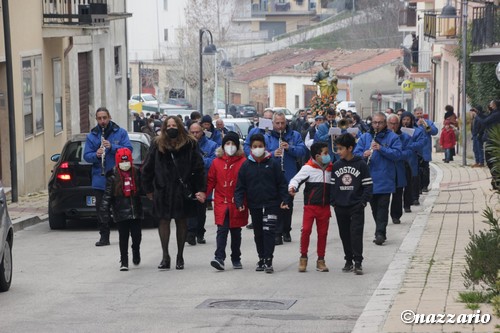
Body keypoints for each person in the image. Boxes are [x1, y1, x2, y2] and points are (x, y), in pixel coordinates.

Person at [142, 116, 206, 270]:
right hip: (162, 189)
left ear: (179, 126)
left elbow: (199, 168)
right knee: (163, 221)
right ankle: (165, 256)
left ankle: (180, 256)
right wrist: (148, 189)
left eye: (174, 125)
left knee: (181, 221)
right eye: (168, 125)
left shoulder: (190, 143)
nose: (171, 128)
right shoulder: (157, 143)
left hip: (182, 190)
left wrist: (200, 190)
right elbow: (148, 167)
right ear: (164, 127)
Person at [234, 134, 289, 274]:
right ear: (250, 148)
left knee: (269, 231)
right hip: (255, 204)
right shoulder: (246, 165)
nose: (258, 149)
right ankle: (261, 258)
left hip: (272, 203)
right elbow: (240, 186)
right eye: (255, 147)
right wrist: (239, 201)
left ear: (264, 147)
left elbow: (282, 183)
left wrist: (284, 199)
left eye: (260, 146)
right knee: (258, 233)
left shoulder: (273, 163)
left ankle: (269, 259)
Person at [83, 107, 132, 247]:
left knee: (120, 208)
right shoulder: (92, 136)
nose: (102, 121)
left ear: (109, 117)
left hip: (118, 177)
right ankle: (104, 236)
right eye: (99, 118)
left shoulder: (120, 132)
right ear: (97, 119)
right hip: (100, 178)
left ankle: (124, 234)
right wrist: (96, 155)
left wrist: (112, 147)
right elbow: (86, 156)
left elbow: (129, 150)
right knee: (101, 209)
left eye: (105, 118)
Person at [353, 112, 402, 245]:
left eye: (380, 123)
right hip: (369, 179)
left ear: (385, 123)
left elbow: (397, 154)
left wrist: (381, 149)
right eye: (374, 122)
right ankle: (380, 230)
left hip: (385, 178)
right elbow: (355, 154)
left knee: (383, 207)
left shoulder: (392, 137)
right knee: (374, 208)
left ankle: (380, 233)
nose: (377, 125)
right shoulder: (365, 137)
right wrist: (364, 154)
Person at [331, 134, 372, 275]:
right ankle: (348, 260)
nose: (338, 151)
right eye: (337, 148)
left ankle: (358, 261)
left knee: (356, 233)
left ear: (350, 148)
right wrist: (334, 202)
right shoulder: (336, 166)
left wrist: (362, 202)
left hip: (356, 206)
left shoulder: (361, 164)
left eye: (341, 149)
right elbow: (332, 186)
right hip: (340, 206)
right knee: (344, 234)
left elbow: (368, 185)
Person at [206, 132, 248, 271]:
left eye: (233, 144)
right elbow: (211, 180)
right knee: (222, 230)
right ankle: (219, 257)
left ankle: (236, 257)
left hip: (237, 202)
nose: (230, 146)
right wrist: (204, 194)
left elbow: (247, 183)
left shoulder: (243, 162)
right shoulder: (216, 162)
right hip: (221, 201)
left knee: (236, 231)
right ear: (223, 146)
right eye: (227, 144)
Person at [264, 111, 307, 245]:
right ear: (273, 123)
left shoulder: (295, 135)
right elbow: (260, 153)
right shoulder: (267, 137)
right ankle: (277, 232)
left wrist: (289, 148)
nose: (280, 126)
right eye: (277, 123)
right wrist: (271, 153)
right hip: (272, 176)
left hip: (289, 175)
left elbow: (302, 151)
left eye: (283, 123)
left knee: (288, 204)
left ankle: (286, 230)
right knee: (275, 204)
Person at [288, 142, 332, 273]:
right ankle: (303, 257)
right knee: (306, 231)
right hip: (310, 206)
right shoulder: (308, 168)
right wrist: (292, 187)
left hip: (325, 207)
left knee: (323, 234)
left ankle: (321, 260)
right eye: (325, 153)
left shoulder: (330, 168)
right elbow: (296, 179)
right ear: (317, 156)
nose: (328, 156)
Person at [99, 148, 143, 271]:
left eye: (127, 161)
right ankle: (124, 260)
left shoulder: (137, 172)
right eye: (122, 162)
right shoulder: (112, 176)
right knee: (123, 237)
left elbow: (144, 188)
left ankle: (136, 250)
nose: (125, 165)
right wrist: (104, 213)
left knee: (137, 236)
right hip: (120, 212)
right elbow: (107, 196)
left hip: (136, 212)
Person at [186, 122, 217, 245]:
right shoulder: (185, 145)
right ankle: (191, 233)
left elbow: (213, 162)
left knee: (201, 209)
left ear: (202, 131)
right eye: (192, 132)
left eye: (197, 132)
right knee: (190, 208)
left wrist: (198, 161)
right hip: (189, 181)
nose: (195, 134)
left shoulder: (211, 145)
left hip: (204, 180)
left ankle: (200, 232)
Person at [386, 114, 411, 225]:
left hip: (399, 168)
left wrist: (397, 155)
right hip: (385, 169)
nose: (393, 126)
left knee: (398, 193)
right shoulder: (383, 136)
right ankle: (382, 216)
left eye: (395, 123)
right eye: (391, 123)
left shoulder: (404, 136)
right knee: (384, 195)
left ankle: (396, 215)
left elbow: (409, 152)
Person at [400, 111, 426, 212]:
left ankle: (412, 200)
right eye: (404, 119)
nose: (406, 122)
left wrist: (410, 146)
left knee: (412, 179)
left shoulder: (417, 131)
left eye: (408, 119)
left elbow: (421, 142)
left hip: (411, 157)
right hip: (400, 157)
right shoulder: (398, 130)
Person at [414, 107, 438, 194]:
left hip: (425, 149)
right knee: (417, 169)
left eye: (421, 113)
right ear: (415, 114)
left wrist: (426, 125)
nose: (420, 115)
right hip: (416, 150)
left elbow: (434, 132)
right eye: (418, 113)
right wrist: (417, 124)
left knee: (425, 168)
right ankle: (418, 187)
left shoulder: (428, 122)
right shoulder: (413, 123)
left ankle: (425, 186)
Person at [479, 100, 500, 189]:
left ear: (494, 105)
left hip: (493, 140)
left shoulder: (496, 114)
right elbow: (486, 118)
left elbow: (485, 121)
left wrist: (477, 116)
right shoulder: (493, 113)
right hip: (490, 139)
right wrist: (479, 114)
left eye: (491, 104)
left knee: (491, 160)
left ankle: (496, 180)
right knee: (490, 161)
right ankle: (495, 180)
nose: (489, 106)